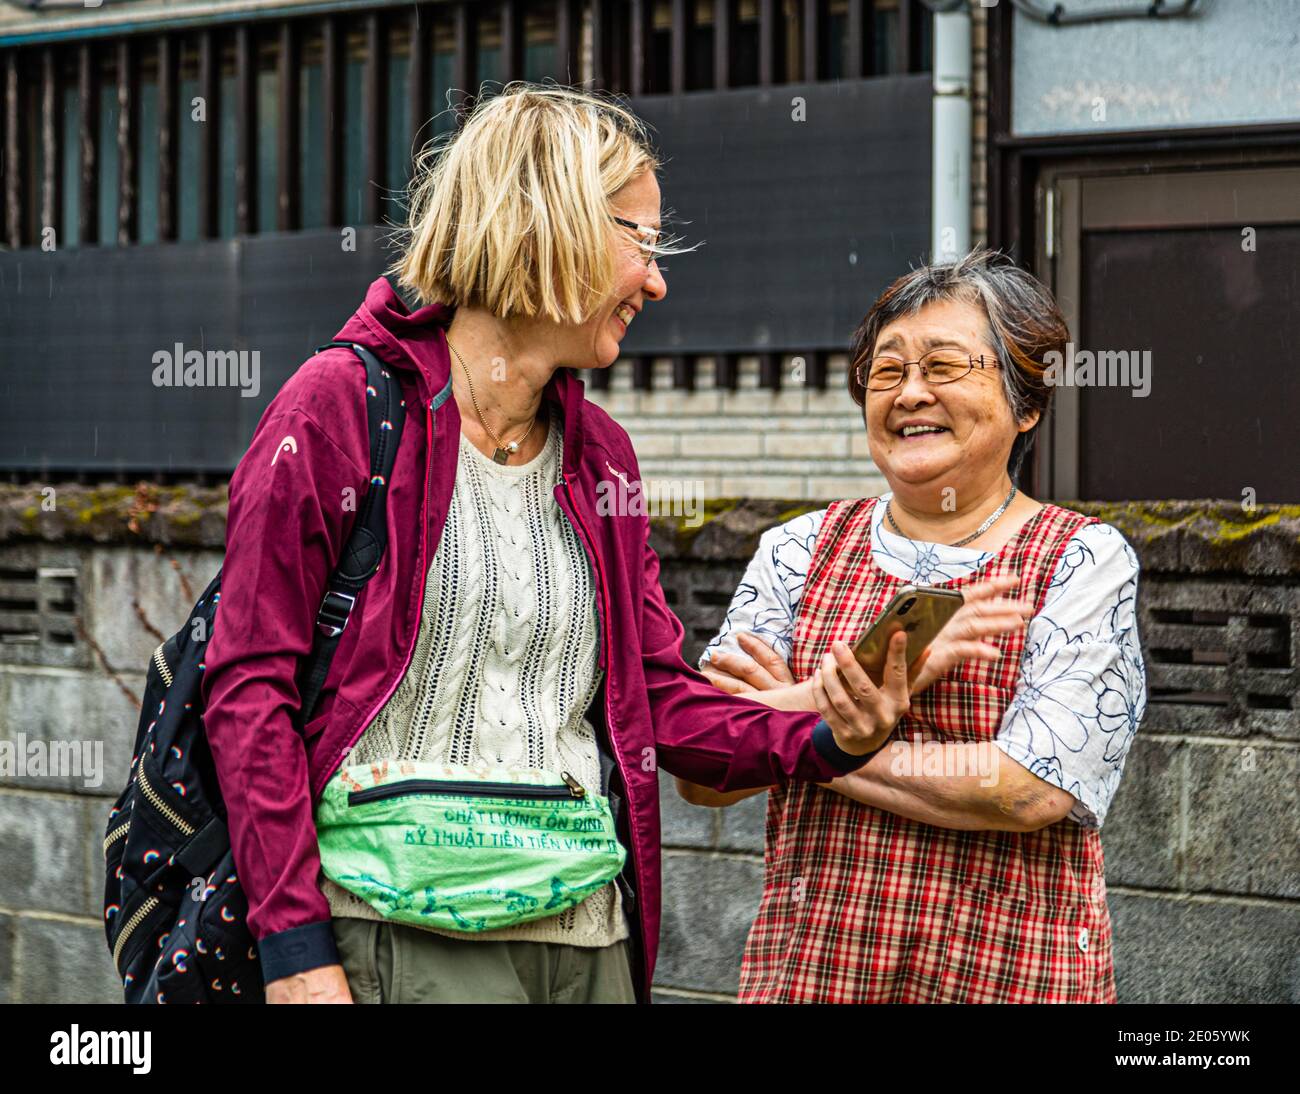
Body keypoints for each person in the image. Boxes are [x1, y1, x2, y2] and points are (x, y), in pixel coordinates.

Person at [200, 84, 903, 1005]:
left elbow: (657, 701)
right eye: (640, 242)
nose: (657, 280)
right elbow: (249, 687)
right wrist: (294, 951)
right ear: (546, 220)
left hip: (590, 938)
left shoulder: (600, 453)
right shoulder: (337, 409)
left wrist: (823, 735)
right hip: (403, 931)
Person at [677, 248, 1147, 1003]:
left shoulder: (1080, 562)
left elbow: (1026, 791)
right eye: (888, 372)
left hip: (1010, 978)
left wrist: (795, 728)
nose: (910, 393)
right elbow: (701, 767)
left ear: (1026, 402)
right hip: (815, 977)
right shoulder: (797, 550)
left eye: (946, 367)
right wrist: (844, 709)